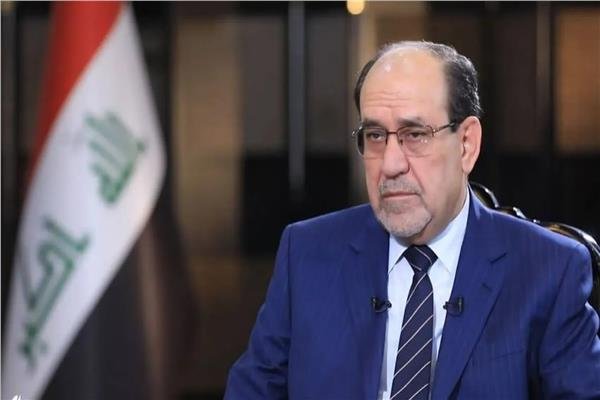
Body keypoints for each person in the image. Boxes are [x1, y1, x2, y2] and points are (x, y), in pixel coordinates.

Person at [225, 41, 600, 399]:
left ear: (466, 144)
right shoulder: (307, 253)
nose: (390, 164)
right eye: (375, 135)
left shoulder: (549, 269)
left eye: (415, 135)